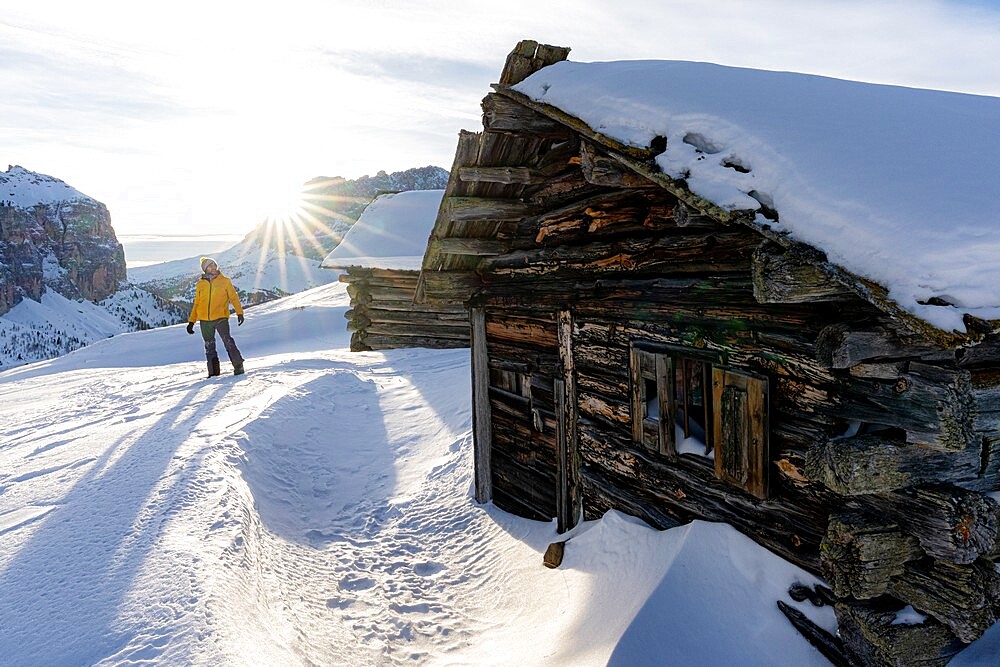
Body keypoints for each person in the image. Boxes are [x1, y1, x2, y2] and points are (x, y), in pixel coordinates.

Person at [186, 257, 246, 377]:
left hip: (221, 318)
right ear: (205, 269)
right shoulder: (200, 284)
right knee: (209, 346)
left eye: (214, 265)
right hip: (205, 321)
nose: (213, 267)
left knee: (228, 341)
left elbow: (233, 297)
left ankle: (238, 366)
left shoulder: (225, 281)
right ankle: (213, 373)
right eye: (210, 266)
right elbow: (197, 303)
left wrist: (240, 313)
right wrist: (191, 321)